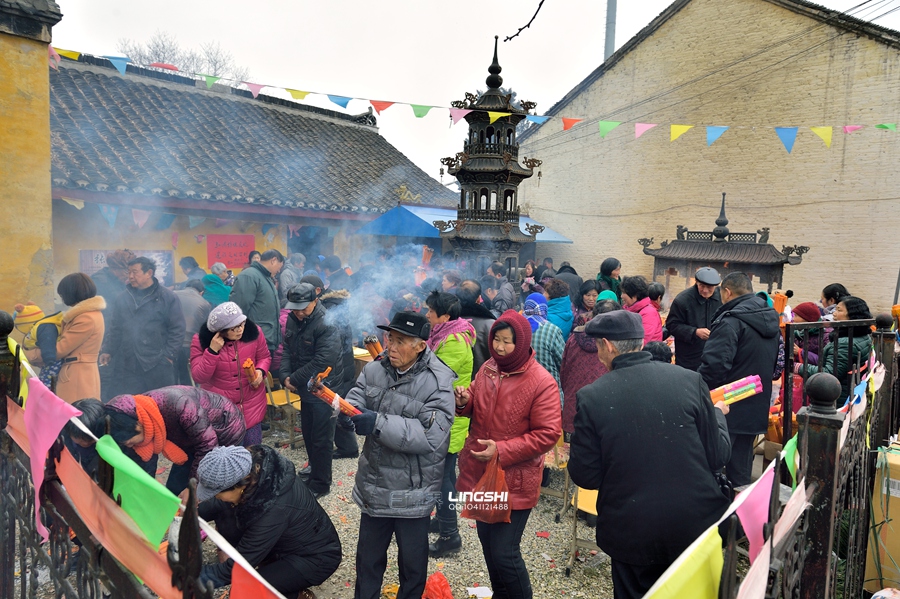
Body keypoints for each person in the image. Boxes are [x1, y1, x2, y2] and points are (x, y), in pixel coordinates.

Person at [568, 310, 731, 599]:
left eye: (597, 348)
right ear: (641, 343)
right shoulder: (688, 380)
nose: (597, 356)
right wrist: (718, 416)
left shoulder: (593, 396)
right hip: (695, 524)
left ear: (609, 345)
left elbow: (586, 475)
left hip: (632, 531)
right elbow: (718, 455)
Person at [342, 311, 455, 599]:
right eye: (390, 339)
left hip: (412, 491)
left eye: (400, 341)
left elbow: (431, 436)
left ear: (420, 346)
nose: (391, 347)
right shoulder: (375, 368)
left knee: (412, 567)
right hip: (375, 484)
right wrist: (348, 412)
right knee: (367, 562)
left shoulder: (438, 381)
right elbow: (358, 394)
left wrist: (377, 423)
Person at [455, 311, 561, 599]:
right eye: (496, 340)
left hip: (513, 477)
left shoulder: (541, 382)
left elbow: (548, 433)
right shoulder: (488, 368)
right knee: (488, 546)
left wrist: (501, 450)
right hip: (480, 471)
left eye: (507, 342)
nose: (499, 348)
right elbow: (477, 400)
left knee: (505, 552)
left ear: (523, 342)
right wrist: (466, 402)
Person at [196, 445, 342, 598]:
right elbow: (217, 503)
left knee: (245, 591)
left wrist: (190, 577)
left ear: (241, 485)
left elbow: (236, 567)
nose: (214, 496)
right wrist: (187, 510)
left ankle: (295, 594)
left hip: (314, 558)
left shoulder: (273, 508)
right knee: (225, 516)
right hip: (283, 542)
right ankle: (275, 573)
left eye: (216, 493)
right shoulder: (256, 473)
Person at [698, 272, 780, 486]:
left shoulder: (731, 321)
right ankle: (740, 515)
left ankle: (715, 514)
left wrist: (699, 390)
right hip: (755, 402)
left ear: (726, 292)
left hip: (726, 403)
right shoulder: (770, 316)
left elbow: (715, 365)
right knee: (741, 469)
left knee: (711, 463)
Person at [104, 385, 246, 494]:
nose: (128, 445)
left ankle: (203, 524)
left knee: (214, 489)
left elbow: (207, 446)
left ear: (138, 425)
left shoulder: (181, 405)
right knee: (174, 488)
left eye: (129, 441)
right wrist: (145, 490)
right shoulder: (138, 414)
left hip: (224, 430)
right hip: (189, 442)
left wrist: (193, 487)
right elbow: (145, 463)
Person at [279, 283, 344, 498]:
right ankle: (313, 471)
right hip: (303, 386)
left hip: (323, 387)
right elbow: (287, 347)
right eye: (294, 308)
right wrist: (284, 374)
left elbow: (323, 360)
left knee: (321, 438)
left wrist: (293, 379)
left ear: (315, 301)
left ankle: (321, 483)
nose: (298, 312)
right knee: (308, 432)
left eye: (303, 307)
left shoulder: (327, 323)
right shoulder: (293, 318)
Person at [423, 291, 475, 558]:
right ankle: (442, 520)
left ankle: (450, 535)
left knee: (443, 478)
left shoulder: (453, 341)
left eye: (430, 311)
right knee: (443, 475)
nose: (427, 315)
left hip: (449, 418)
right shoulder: (445, 333)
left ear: (444, 316)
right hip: (444, 416)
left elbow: (435, 375)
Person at [99, 257, 185, 397]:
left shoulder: (167, 297)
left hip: (158, 363)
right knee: (133, 406)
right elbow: (115, 328)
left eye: (135, 272)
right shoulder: (123, 298)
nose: (130, 276)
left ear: (149, 273)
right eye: (129, 272)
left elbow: (177, 329)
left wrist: (168, 356)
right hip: (129, 363)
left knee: (161, 405)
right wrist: (108, 350)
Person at [191, 301, 271, 445]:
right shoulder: (200, 341)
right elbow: (199, 376)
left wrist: (260, 371)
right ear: (221, 330)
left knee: (253, 453)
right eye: (234, 328)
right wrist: (212, 351)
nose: (240, 330)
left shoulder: (255, 332)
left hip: (251, 403)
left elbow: (264, 357)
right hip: (221, 409)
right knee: (230, 455)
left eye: (241, 324)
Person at [29, 274, 105, 403]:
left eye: (63, 295)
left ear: (71, 293)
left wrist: (31, 354)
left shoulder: (85, 318)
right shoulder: (88, 314)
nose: (62, 299)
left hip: (77, 375)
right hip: (79, 372)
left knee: (73, 417)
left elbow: (59, 350)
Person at [560, 299, 618, 436]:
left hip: (573, 409)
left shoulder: (573, 339)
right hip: (603, 415)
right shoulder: (614, 346)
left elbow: (563, 373)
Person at [796, 296, 872, 400]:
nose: (834, 313)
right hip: (847, 391)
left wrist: (798, 367)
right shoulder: (862, 336)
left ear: (852, 315)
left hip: (837, 398)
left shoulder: (844, 343)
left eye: (839, 310)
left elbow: (829, 374)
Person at [319, 283, 360, 460]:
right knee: (341, 406)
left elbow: (332, 345)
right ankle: (348, 446)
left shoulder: (329, 311)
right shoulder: (340, 306)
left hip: (338, 367)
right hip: (346, 364)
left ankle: (348, 448)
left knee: (338, 408)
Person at [665, 267, 723, 372]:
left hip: (714, 354)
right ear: (696, 283)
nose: (705, 290)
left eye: (709, 287)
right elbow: (672, 325)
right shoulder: (683, 300)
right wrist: (694, 332)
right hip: (688, 357)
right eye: (702, 286)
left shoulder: (722, 297)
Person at [230, 249, 284, 356]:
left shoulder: (266, 277)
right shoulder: (249, 276)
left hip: (266, 339)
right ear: (273, 260)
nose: (279, 271)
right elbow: (239, 309)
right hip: (253, 341)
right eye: (279, 267)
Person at [16, 302, 65, 389]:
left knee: (47, 383)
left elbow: (48, 342)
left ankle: (46, 396)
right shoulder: (41, 327)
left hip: (52, 361)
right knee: (44, 380)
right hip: (48, 362)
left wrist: (48, 359)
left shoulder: (45, 327)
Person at [174, 280, 212, 386]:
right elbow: (205, 328)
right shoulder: (204, 303)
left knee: (173, 376)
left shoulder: (173, 295)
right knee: (188, 377)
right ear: (201, 292)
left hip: (172, 343)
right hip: (190, 344)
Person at [456, 280, 496, 376]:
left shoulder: (449, 322)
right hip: (483, 379)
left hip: (455, 383)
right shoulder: (490, 324)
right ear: (479, 299)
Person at [620, 276, 663, 343]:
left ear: (634, 295)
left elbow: (642, 341)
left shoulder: (649, 313)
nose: (621, 296)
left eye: (624, 292)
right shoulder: (627, 309)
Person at [791, 301, 826, 365]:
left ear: (807, 319)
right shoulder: (797, 333)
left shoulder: (825, 336)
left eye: (796, 316)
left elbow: (824, 362)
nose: (793, 319)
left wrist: (800, 352)